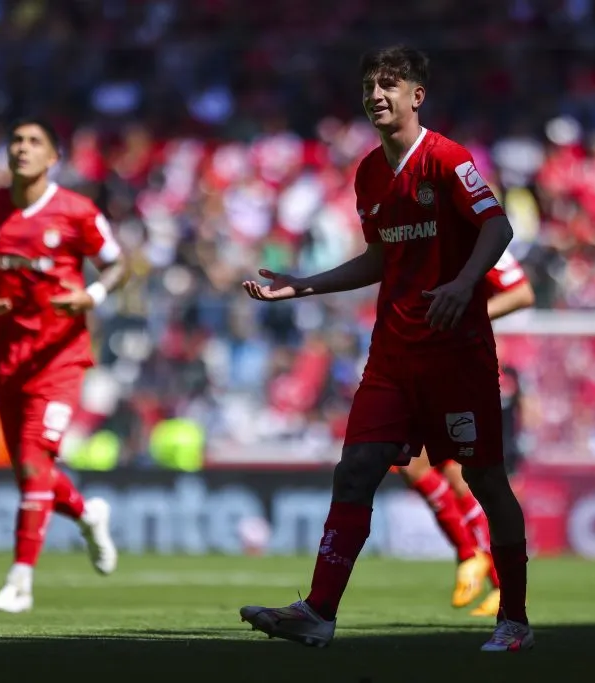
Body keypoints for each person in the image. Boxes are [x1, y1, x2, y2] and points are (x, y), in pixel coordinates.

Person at [239, 46, 533, 652]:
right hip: (393, 358)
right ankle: (318, 612)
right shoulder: (369, 173)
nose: (376, 93)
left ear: (417, 95)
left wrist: (462, 283)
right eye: (370, 84)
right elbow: (380, 256)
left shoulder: (448, 160)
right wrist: (305, 284)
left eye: (390, 84)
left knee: (485, 479)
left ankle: (515, 620)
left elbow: (498, 226)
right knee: (356, 473)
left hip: (457, 355)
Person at [0, 117, 129, 613]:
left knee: (36, 460)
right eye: (16, 140)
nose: (23, 148)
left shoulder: (76, 212)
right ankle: (88, 514)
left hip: (60, 359)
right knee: (29, 471)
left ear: (53, 157)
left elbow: (119, 263)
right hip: (6, 357)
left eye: (35, 142)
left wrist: (91, 295)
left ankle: (20, 582)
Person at [395, 250, 533, 617]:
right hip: (428, 359)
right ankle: (475, 559)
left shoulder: (481, 234)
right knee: (414, 463)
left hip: (467, 362)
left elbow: (522, 294)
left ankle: (495, 577)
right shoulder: (423, 232)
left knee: (463, 473)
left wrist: (466, 317)